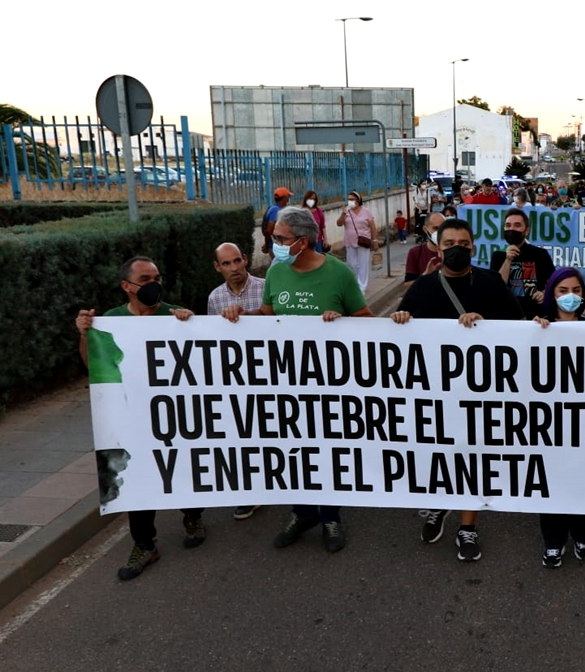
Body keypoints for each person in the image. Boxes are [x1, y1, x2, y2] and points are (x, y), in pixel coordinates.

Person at [222, 207, 373, 553]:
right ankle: (302, 512)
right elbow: (267, 318)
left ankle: (330, 516)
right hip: (285, 385)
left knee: (328, 450)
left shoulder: (339, 274)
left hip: (330, 386)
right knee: (294, 451)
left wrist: (342, 322)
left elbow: (367, 321)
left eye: (279, 239)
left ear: (302, 242)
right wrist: (239, 316)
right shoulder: (277, 272)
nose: (272, 243)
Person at [391, 218, 524, 562]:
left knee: (473, 459)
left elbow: (519, 331)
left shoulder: (492, 283)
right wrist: (400, 320)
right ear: (438, 246)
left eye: (463, 244)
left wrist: (487, 326)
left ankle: (468, 525)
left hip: (481, 393)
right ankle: (438, 505)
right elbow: (395, 337)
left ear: (473, 247)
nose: (456, 250)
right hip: (435, 394)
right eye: (449, 243)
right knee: (438, 455)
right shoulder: (422, 287)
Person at [75, 256, 201, 581]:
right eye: (145, 279)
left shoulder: (175, 314)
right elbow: (94, 367)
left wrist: (191, 325)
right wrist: (85, 334)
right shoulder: (111, 321)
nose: (153, 285)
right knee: (136, 476)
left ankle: (193, 516)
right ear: (126, 287)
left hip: (174, 414)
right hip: (133, 415)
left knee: (183, 463)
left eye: (157, 277)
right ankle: (144, 544)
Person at [531, 267, 585, 568]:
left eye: (577, 291)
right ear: (552, 293)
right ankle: (553, 541)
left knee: (582, 482)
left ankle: (581, 532)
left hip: (584, 424)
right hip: (547, 425)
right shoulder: (537, 328)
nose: (570, 296)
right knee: (551, 484)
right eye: (562, 290)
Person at [206, 242, 267, 521]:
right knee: (243, 435)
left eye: (237, 261)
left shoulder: (267, 288)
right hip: (237, 380)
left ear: (245, 260)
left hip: (271, 374)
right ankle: (249, 491)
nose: (234, 268)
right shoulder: (215, 299)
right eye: (226, 264)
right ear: (218, 268)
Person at [489, 207, 556, 320]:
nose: (512, 229)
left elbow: (554, 282)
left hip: (535, 318)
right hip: (506, 317)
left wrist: (544, 293)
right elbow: (497, 287)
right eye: (508, 225)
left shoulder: (540, 254)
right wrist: (508, 260)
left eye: (517, 225)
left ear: (527, 231)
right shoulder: (498, 256)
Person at [336, 190, 379, 293]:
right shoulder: (347, 212)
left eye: (352, 199)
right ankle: (354, 283)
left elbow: (372, 226)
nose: (350, 201)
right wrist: (343, 214)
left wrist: (375, 240)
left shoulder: (366, 211)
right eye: (348, 199)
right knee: (352, 264)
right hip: (350, 242)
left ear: (358, 200)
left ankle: (362, 287)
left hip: (363, 241)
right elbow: (339, 223)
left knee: (363, 264)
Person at [405, 212, 444, 289]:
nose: (439, 232)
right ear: (425, 229)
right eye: (435, 228)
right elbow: (407, 287)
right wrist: (425, 275)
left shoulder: (453, 251)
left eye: (443, 228)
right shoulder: (415, 252)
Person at [262, 187, 292, 256]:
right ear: (284, 198)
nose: (289, 199)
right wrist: (267, 245)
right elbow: (269, 231)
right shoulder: (276, 210)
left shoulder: (277, 208)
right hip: (276, 247)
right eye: (288, 196)